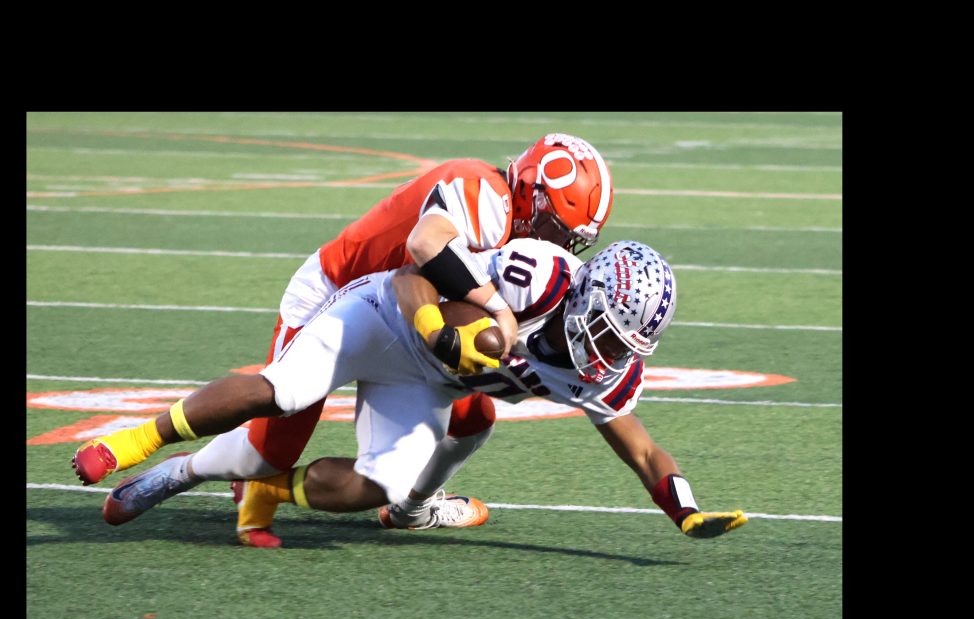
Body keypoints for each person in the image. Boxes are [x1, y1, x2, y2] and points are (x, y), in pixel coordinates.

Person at [72, 133, 614, 547]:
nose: (559, 243)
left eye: (571, 239)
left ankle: (412, 508)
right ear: (531, 190)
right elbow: (423, 251)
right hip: (339, 296)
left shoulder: (519, 239)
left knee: (474, 419)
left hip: (403, 324)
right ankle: (166, 467)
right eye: (556, 226)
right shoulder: (484, 194)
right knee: (267, 447)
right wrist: (493, 312)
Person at [93, 239, 748, 542]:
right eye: (604, 332)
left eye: (622, 346)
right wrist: (436, 330)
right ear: (584, 298)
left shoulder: (602, 370)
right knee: (284, 392)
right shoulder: (536, 277)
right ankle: (142, 444)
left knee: (382, 485)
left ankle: (233, 483)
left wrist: (685, 510)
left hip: (425, 380)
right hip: (383, 319)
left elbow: (644, 452)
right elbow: (413, 273)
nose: (607, 355)